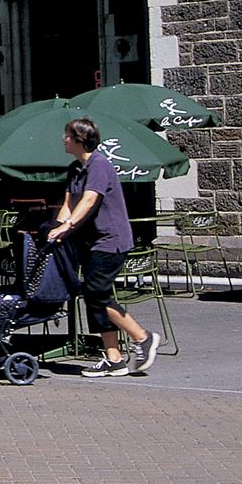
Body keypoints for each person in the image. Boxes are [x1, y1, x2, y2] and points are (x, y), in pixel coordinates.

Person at [50, 118, 158, 378]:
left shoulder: (99, 166)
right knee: (94, 297)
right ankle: (114, 359)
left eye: (67, 135)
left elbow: (89, 200)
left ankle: (142, 337)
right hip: (89, 241)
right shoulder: (75, 169)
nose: (63, 139)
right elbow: (69, 203)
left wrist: (68, 226)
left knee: (95, 293)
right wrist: (54, 228)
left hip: (111, 240)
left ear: (80, 139)